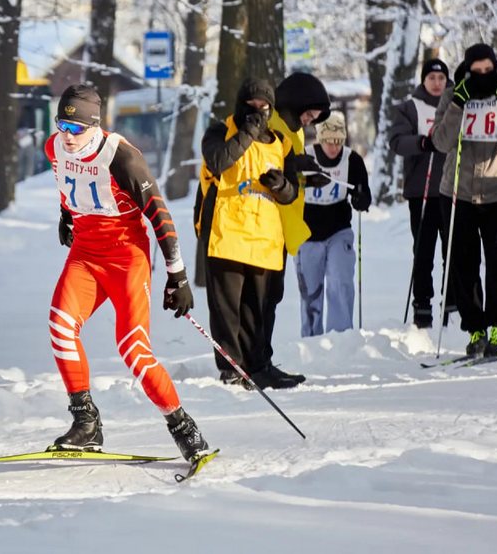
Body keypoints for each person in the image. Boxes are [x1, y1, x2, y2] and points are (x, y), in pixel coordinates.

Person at [45, 84, 210, 463]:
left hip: (126, 257)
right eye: (62, 126)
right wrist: (66, 215)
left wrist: (178, 277)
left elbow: (161, 217)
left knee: (133, 349)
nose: (67, 137)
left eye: (76, 129)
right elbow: (65, 181)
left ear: (94, 125)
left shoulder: (122, 158)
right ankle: (86, 423)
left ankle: (185, 429)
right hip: (85, 253)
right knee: (60, 327)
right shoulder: (54, 147)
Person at [196, 78, 309, 390]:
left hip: (264, 240)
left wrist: (281, 185)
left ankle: (259, 366)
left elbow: (291, 192)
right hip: (226, 235)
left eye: (264, 107)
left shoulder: (280, 143)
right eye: (252, 105)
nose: (258, 111)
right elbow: (217, 161)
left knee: (259, 311)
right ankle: (232, 368)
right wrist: (247, 131)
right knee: (227, 312)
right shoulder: (220, 130)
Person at [430, 43, 497, 357]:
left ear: (496, 68)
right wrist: (457, 105)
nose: (482, 77)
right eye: (475, 73)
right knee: (464, 264)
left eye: (488, 71)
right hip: (458, 192)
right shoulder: (454, 95)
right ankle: (474, 326)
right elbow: (441, 141)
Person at [261, 71, 333, 349]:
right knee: (264, 296)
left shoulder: (295, 131)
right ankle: (255, 361)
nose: (310, 121)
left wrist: (306, 180)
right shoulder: (273, 125)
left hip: (283, 224)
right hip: (267, 222)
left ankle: (262, 357)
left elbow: (288, 178)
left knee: (273, 295)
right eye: (310, 114)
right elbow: (268, 173)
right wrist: (296, 169)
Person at [388, 58, 451, 328]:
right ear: (424, 80)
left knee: (455, 250)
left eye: (441, 79)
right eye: (432, 79)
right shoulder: (410, 107)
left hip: (453, 189)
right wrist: (422, 142)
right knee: (424, 251)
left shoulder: (457, 105)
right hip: (422, 190)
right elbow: (397, 142)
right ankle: (422, 303)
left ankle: (453, 302)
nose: (437, 84)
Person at [295, 112, 371, 336]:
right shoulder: (305, 157)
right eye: (329, 141)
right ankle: (311, 341)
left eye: (338, 141)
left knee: (341, 283)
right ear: (320, 138)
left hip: (338, 230)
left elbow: (364, 194)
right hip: (307, 233)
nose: (334, 147)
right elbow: (289, 186)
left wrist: (360, 198)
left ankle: (340, 338)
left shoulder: (352, 160)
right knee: (311, 292)